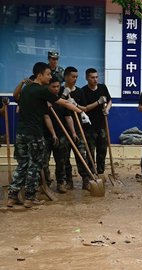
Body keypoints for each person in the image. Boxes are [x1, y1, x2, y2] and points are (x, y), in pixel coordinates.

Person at [7, 62, 81, 208]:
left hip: (21, 134)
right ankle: (30, 198)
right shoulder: (42, 90)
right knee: (34, 165)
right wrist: (79, 110)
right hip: (34, 134)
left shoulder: (26, 89)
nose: (50, 77)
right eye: (48, 74)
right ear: (39, 75)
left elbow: (19, 98)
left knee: (22, 165)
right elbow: (63, 103)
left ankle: (12, 196)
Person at [61, 66, 93, 190]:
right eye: (73, 77)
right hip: (63, 130)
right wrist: (64, 97)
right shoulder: (60, 90)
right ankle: (68, 181)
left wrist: (76, 105)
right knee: (64, 157)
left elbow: (84, 108)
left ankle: (86, 180)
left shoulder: (79, 92)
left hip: (78, 128)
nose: (75, 79)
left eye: (76, 77)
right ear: (66, 77)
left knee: (81, 155)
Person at [42, 77, 74, 193]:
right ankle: (45, 183)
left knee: (61, 161)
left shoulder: (61, 100)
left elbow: (68, 116)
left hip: (61, 135)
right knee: (44, 162)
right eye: (53, 87)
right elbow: (45, 117)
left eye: (58, 86)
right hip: (45, 136)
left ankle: (61, 183)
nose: (56, 89)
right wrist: (53, 134)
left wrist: (73, 133)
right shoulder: (43, 99)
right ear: (48, 86)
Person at [80, 68, 111, 186]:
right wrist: (98, 102)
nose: (95, 80)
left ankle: (100, 172)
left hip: (102, 125)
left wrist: (107, 109)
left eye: (96, 77)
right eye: (92, 77)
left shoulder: (103, 88)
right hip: (89, 127)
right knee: (90, 152)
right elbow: (85, 108)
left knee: (102, 150)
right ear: (87, 78)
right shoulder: (83, 91)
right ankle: (91, 174)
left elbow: (109, 101)